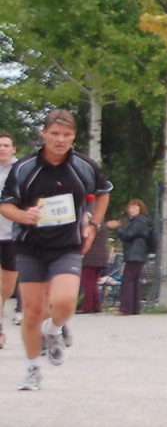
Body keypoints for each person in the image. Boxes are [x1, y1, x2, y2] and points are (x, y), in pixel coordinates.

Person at [1, 110, 112, 391]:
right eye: (55, 134)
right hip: (31, 247)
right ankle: (32, 369)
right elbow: (5, 204)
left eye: (66, 135)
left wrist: (94, 225)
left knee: (64, 302)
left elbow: (103, 192)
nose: (60, 140)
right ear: (44, 134)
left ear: (74, 136)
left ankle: (54, 330)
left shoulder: (84, 166)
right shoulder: (24, 167)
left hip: (67, 246)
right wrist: (23, 216)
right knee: (32, 312)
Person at [109, 200, 155, 315]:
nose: (131, 210)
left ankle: (126, 308)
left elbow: (127, 236)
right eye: (130, 208)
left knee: (128, 281)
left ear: (140, 209)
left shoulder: (139, 221)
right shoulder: (141, 221)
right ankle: (134, 308)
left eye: (135, 208)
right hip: (138, 253)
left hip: (135, 253)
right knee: (134, 281)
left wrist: (116, 228)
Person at [0, 132, 17, 343]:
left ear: (13, 149)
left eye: (6, 145)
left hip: (13, 235)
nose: (2, 148)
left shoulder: (21, 170)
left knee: (7, 288)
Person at [79, 212, 110, 313]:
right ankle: (96, 305)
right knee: (93, 282)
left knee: (87, 282)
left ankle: (87, 306)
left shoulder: (90, 225)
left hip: (90, 257)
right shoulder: (101, 224)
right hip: (100, 257)